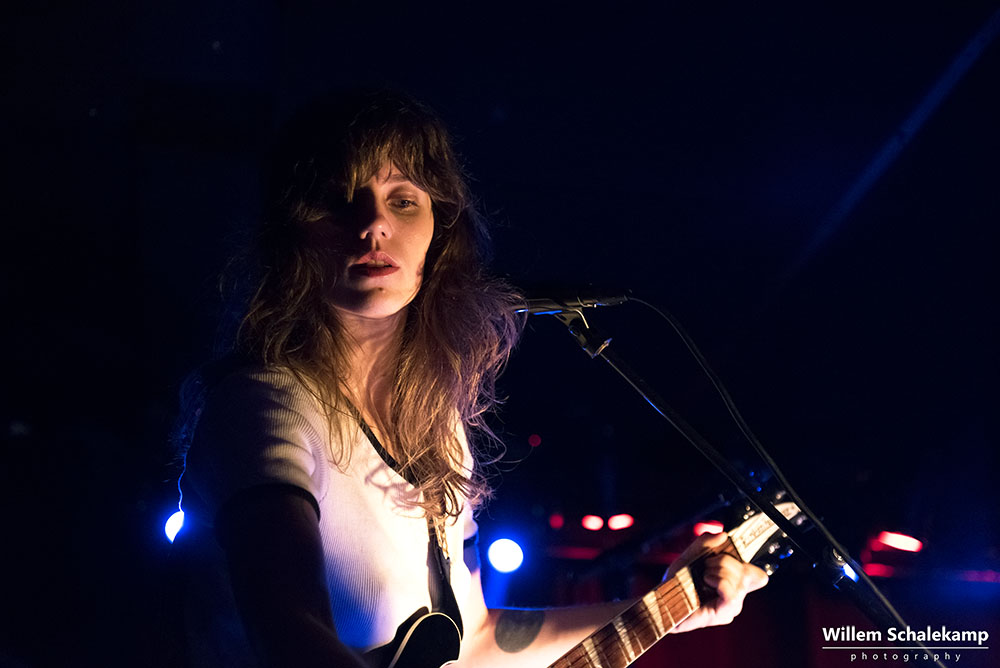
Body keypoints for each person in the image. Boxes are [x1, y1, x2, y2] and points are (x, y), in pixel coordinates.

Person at [170, 90, 768, 667]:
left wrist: (668, 608)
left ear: (439, 230)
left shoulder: (437, 431)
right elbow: (290, 632)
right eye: (339, 199)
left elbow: (475, 643)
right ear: (293, 232)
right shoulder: (264, 405)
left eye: (403, 200)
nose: (373, 225)